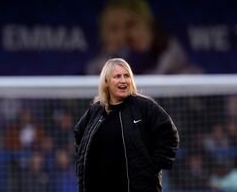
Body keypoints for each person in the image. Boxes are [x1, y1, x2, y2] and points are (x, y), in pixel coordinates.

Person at [74, 58, 179, 192]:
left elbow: (169, 133)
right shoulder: (95, 111)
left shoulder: (144, 107)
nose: (123, 80)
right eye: (117, 76)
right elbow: (79, 134)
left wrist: (152, 166)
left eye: (126, 75)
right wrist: (83, 165)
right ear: (106, 82)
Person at [85, 0, 202, 75]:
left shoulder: (186, 74)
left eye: (131, 25)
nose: (123, 36)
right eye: (114, 29)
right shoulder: (90, 76)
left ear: (150, 27)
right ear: (103, 36)